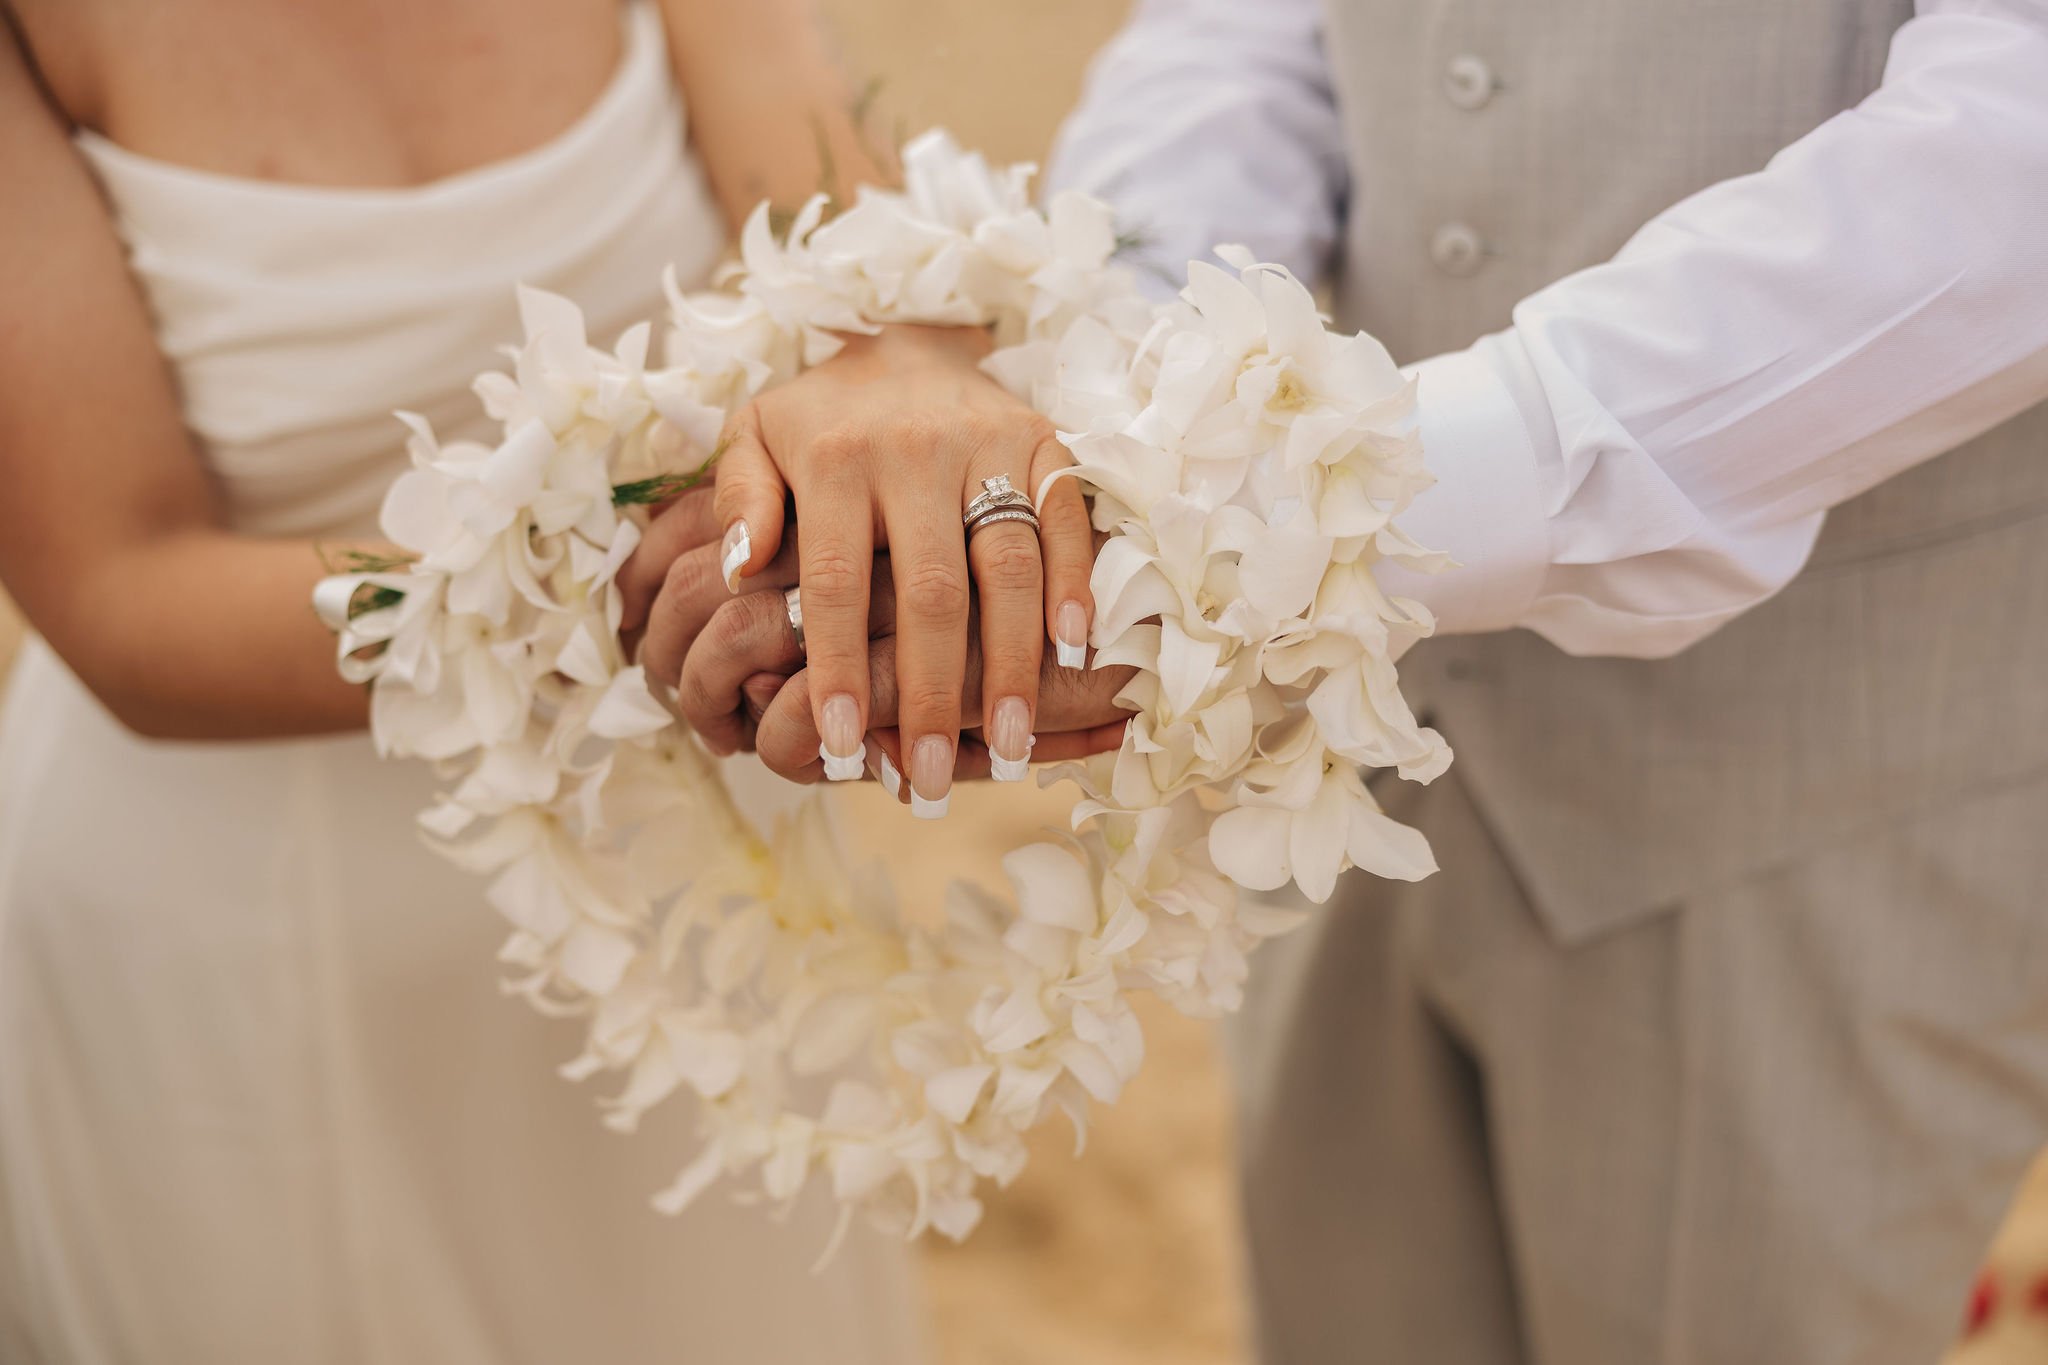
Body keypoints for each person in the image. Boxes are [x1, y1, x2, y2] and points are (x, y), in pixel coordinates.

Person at [632, 0, 2048, 1359]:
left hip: (1817, 798)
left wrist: (1334, 523)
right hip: (1327, 762)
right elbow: (1247, 25)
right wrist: (1117, 426)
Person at [0, 2, 942, 1357]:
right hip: (261, 936)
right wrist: (610, 589)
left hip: (693, 885)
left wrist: (901, 417)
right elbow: (120, 593)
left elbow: (855, 256)